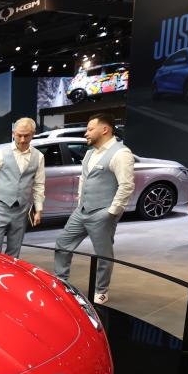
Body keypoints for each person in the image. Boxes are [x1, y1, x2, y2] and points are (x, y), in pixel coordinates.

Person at [53, 113, 135, 304]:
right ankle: (61, 282)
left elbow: (126, 186)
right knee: (63, 243)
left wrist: (112, 212)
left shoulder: (121, 153)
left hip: (102, 212)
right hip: (82, 210)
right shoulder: (90, 153)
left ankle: (101, 291)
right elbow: (84, 178)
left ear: (105, 129)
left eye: (90, 129)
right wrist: (80, 202)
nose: (86, 133)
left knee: (103, 254)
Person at [0, 117, 46, 258]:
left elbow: (38, 185)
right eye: (19, 135)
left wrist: (39, 209)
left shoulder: (39, 156)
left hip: (21, 210)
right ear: (13, 133)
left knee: (14, 251)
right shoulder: (0, 153)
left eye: (26, 136)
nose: (22, 139)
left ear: (33, 134)